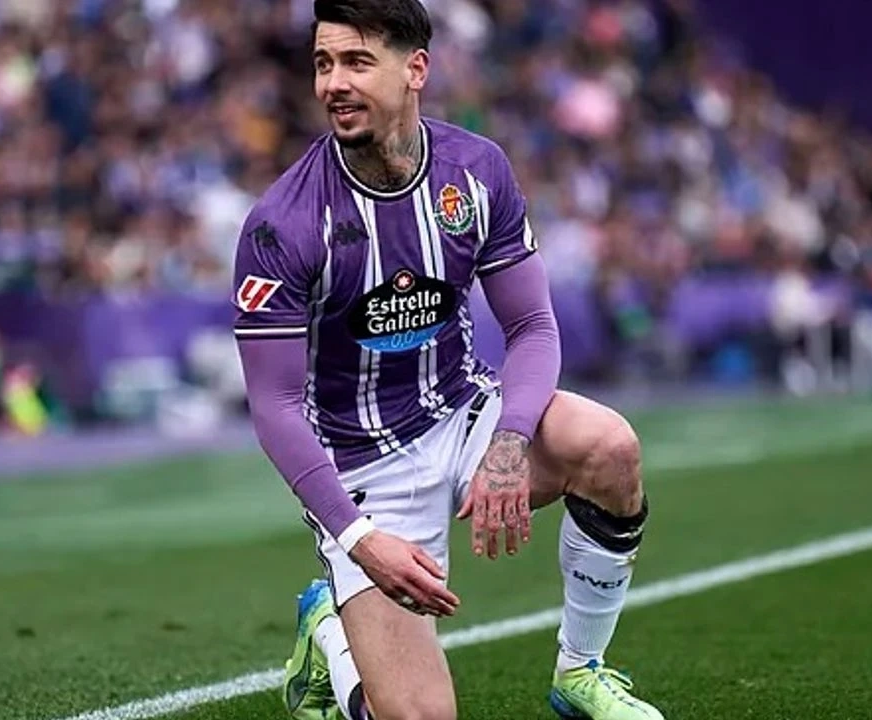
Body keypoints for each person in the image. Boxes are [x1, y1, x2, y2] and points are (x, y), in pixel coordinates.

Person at [232, 2, 661, 719]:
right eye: (324, 64)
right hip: (361, 468)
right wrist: (358, 538)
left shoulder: (476, 170)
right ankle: (331, 636)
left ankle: (580, 671)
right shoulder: (283, 224)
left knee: (609, 448)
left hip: (463, 411)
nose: (334, 83)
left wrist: (509, 443)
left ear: (416, 69)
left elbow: (531, 325)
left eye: (357, 62)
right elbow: (274, 407)